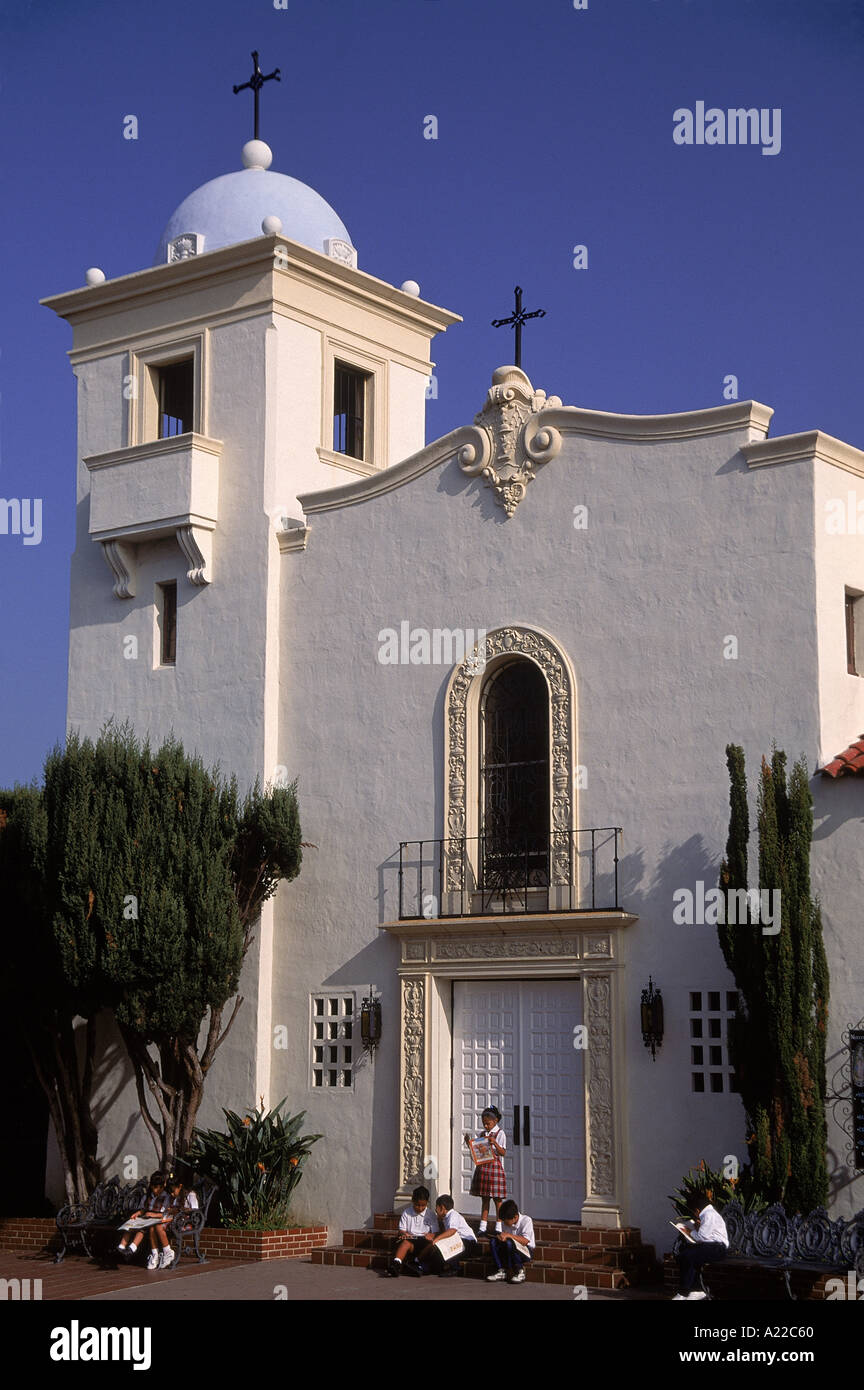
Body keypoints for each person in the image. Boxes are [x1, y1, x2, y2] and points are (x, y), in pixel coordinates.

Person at [672, 1189, 729, 1300]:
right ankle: (696, 1290)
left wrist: (689, 1232)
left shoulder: (708, 1215)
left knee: (688, 1255)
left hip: (718, 1248)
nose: (695, 1215)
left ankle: (684, 1292)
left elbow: (701, 1237)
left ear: (698, 1211)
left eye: (695, 1212)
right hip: (712, 1246)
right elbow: (705, 1235)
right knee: (686, 1253)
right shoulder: (709, 1214)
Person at [117, 1171, 174, 1269]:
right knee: (131, 1224)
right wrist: (137, 1213)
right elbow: (143, 1209)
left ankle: (132, 1248)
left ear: (162, 1186)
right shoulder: (148, 1196)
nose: (154, 1190)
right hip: (146, 1219)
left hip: (156, 1220)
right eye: (153, 1187)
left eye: (157, 1188)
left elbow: (165, 1214)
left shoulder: (166, 1197)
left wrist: (153, 1214)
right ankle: (122, 1246)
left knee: (142, 1229)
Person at [465, 1105, 507, 1233]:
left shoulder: (500, 1133)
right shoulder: (483, 1133)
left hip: (494, 1168)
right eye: (484, 1124)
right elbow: (478, 1150)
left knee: (497, 1199)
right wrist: (470, 1144)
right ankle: (482, 1226)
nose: (486, 1126)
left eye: (488, 1124)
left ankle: (498, 1226)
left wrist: (494, 1143)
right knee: (485, 1198)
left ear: (495, 1121)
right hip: (484, 1168)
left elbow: (502, 1152)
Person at [415, 1194, 478, 1277]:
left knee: (442, 1246)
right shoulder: (446, 1218)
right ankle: (425, 1267)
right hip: (460, 1242)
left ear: (442, 1208)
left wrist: (437, 1239)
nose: (435, 1211)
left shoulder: (453, 1215)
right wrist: (434, 1236)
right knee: (439, 1249)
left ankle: (455, 1268)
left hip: (468, 1243)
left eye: (436, 1208)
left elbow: (452, 1231)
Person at [384, 1185, 438, 1277]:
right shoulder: (406, 1213)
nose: (420, 1208)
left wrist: (431, 1235)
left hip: (425, 1244)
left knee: (433, 1244)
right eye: (417, 1205)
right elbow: (402, 1229)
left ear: (427, 1203)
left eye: (423, 1205)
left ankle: (416, 1262)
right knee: (405, 1243)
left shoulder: (431, 1214)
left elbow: (435, 1232)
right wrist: (404, 1234)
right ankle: (396, 1264)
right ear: (413, 1201)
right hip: (411, 1242)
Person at [486, 1199, 535, 1284]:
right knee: (493, 1241)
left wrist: (509, 1236)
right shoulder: (505, 1222)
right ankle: (500, 1270)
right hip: (509, 1249)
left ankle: (520, 1272)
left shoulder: (526, 1220)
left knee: (510, 1242)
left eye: (506, 1221)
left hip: (525, 1251)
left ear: (515, 1217)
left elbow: (526, 1241)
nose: (504, 1223)